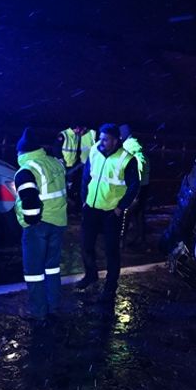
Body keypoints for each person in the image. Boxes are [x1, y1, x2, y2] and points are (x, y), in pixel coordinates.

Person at [14, 127, 80, 325]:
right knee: (52, 268)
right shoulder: (55, 163)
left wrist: (31, 221)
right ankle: (53, 306)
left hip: (38, 226)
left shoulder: (26, 171)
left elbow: (30, 201)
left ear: (22, 151)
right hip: (58, 223)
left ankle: (39, 312)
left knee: (34, 272)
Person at [77, 123, 139, 302]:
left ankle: (110, 287)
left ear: (115, 140)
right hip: (91, 208)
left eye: (105, 139)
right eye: (101, 138)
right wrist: (84, 200)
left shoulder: (127, 159)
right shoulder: (95, 151)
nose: (101, 142)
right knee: (86, 245)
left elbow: (134, 186)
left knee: (111, 251)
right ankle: (91, 275)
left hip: (111, 212)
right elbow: (86, 177)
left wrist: (121, 207)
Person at [118, 125, 151, 249]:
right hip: (144, 184)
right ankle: (141, 240)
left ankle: (121, 241)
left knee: (125, 212)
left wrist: (136, 183)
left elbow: (137, 165)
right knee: (138, 213)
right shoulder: (136, 144)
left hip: (136, 185)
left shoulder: (128, 146)